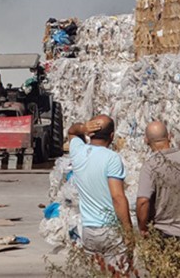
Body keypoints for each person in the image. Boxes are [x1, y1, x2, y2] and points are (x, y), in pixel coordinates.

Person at [68, 115, 132, 271]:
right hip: (110, 230)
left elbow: (71, 131)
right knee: (118, 271)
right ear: (112, 136)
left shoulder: (78, 152)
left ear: (90, 133)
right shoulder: (112, 159)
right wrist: (128, 230)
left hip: (88, 230)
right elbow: (117, 197)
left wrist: (82, 128)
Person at [137, 121, 180, 242]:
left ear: (146, 140)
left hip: (163, 234)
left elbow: (143, 202)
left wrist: (143, 228)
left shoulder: (150, 166)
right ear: (170, 136)